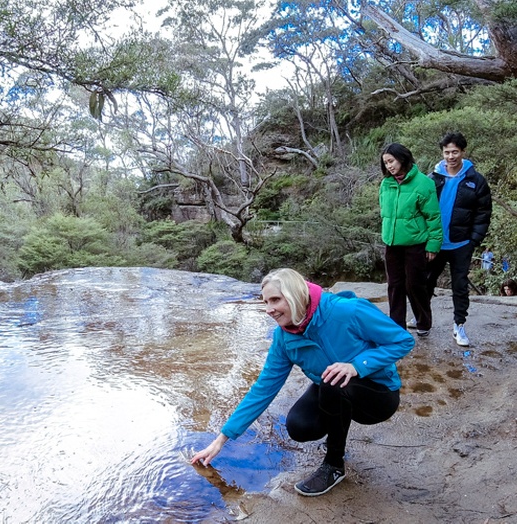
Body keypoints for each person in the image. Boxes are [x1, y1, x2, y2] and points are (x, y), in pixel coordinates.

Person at [191, 268, 415, 497]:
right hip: (332, 386)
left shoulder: (347, 310)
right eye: (266, 302)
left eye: (275, 300)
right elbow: (263, 389)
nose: (269, 309)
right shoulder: (283, 337)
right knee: (299, 426)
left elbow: (402, 341)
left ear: (295, 295)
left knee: (333, 384)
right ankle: (337, 428)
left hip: (378, 394)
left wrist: (357, 366)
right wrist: (221, 439)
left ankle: (334, 466)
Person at [424, 132, 492, 347]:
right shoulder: (432, 178)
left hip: (461, 243)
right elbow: (421, 209)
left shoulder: (476, 180)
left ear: (463, 152)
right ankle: (421, 317)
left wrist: (474, 240)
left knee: (460, 286)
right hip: (435, 242)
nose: (450, 156)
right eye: (447, 152)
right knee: (426, 281)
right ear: (442, 153)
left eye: (455, 152)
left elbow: (483, 213)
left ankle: (459, 324)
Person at [378, 143, 442, 336]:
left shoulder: (424, 183)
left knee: (415, 284)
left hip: (415, 244)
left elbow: (433, 217)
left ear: (402, 158)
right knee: (394, 285)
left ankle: (423, 322)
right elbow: (385, 213)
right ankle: (397, 327)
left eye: (391, 161)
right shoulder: (386, 184)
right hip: (392, 243)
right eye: (386, 163)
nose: (389, 166)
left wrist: (433, 245)